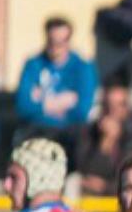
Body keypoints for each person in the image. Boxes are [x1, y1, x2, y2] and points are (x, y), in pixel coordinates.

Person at [15, 17, 97, 156]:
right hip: (36, 130)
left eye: (61, 42)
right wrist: (60, 103)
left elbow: (82, 111)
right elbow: (23, 107)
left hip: (68, 132)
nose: (55, 46)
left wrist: (42, 101)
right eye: (52, 41)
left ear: (69, 41)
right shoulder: (33, 65)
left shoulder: (83, 67)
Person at [76, 79, 132, 197]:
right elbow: (89, 176)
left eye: (120, 105)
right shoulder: (90, 133)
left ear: (127, 108)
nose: (113, 111)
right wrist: (106, 141)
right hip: (95, 201)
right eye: (108, 105)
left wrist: (106, 188)